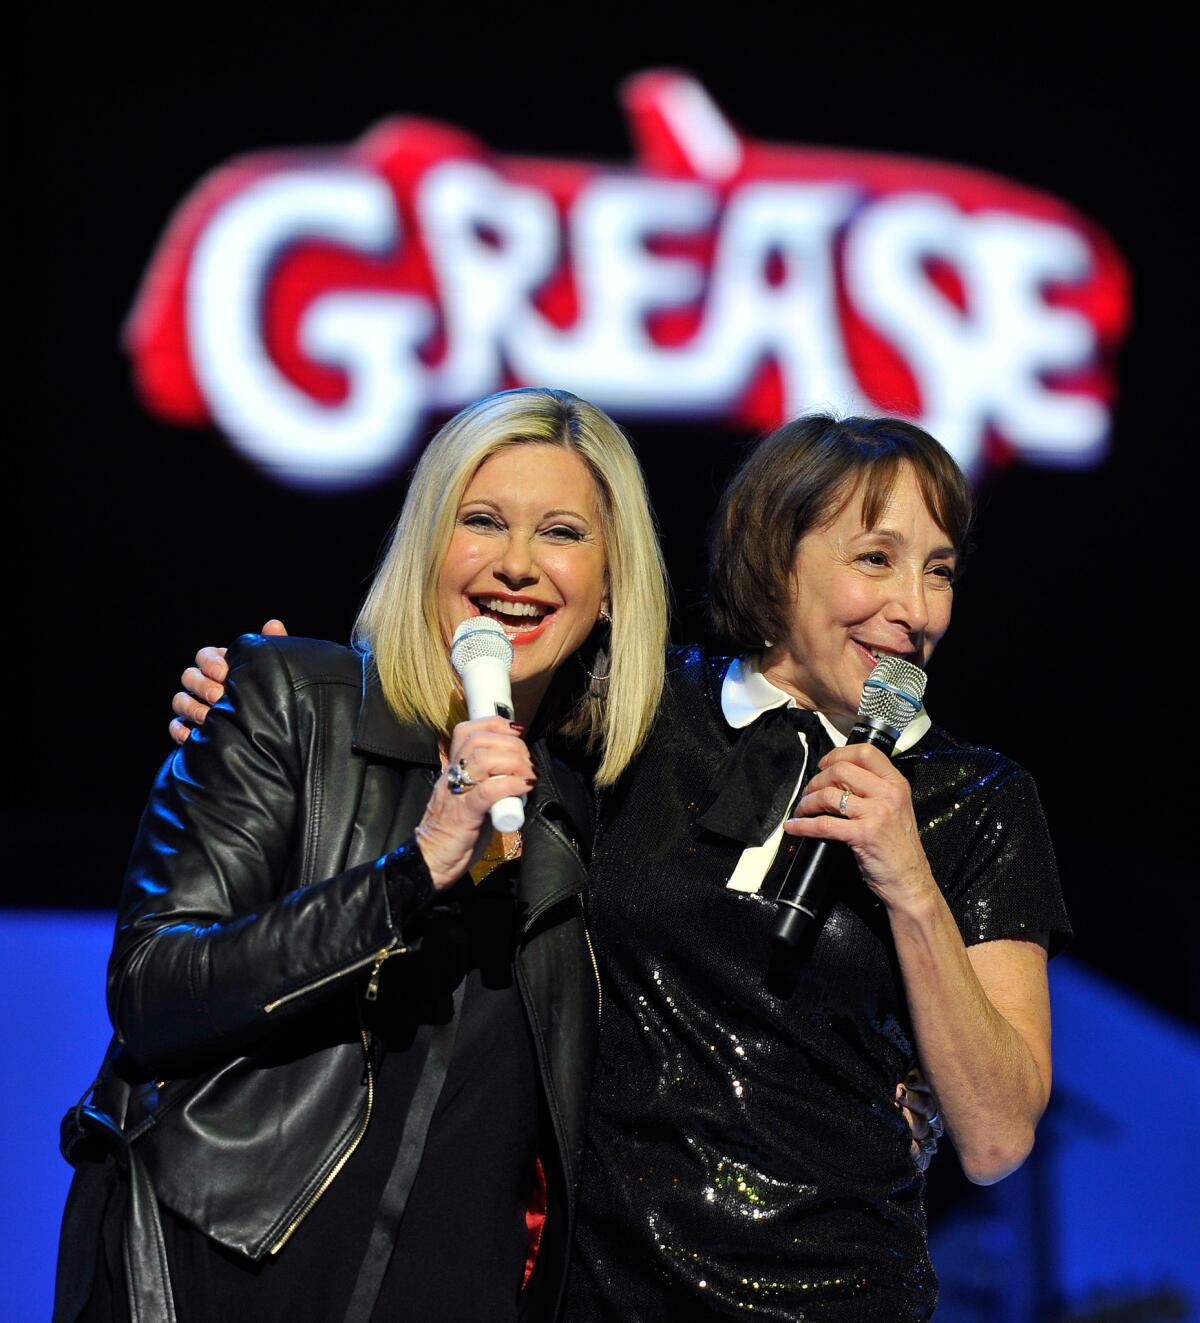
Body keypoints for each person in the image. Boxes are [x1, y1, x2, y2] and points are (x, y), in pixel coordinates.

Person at [164, 416, 1029, 1320]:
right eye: (877, 558)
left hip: (845, 1295)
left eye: (939, 570)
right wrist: (260, 700)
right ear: (779, 560)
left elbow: (999, 1132)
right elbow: (463, 668)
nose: (918, 609)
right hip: (600, 1291)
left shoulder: (979, 797)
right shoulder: (641, 719)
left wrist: (913, 889)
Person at [54, 386, 671, 1323]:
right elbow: (155, 990)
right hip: (220, 1276)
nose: (516, 565)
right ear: (429, 542)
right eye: (482, 521)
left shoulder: (606, 805)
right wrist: (414, 869)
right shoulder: (293, 704)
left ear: (614, 580)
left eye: (561, 533)